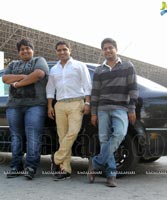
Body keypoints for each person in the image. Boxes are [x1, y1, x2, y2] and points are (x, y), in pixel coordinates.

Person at [88, 38, 138, 187]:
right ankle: (111, 174)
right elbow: (95, 93)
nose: (108, 50)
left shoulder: (127, 66)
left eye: (110, 48)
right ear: (102, 51)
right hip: (102, 109)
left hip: (121, 108)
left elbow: (133, 89)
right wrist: (93, 113)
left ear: (116, 49)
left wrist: (132, 109)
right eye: (105, 48)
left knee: (120, 134)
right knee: (104, 140)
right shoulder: (99, 70)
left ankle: (95, 163)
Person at [2, 38, 49, 180]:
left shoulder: (39, 61)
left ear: (32, 50)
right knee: (16, 137)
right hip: (14, 105)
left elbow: (39, 74)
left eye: (27, 48)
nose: (25, 51)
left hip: (35, 105)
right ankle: (16, 166)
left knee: (33, 136)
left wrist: (17, 84)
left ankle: (31, 167)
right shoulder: (13, 64)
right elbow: (5, 78)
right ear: (19, 52)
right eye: (22, 49)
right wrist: (25, 76)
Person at [46, 41, 92, 181]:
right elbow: (50, 89)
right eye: (59, 50)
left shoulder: (79, 65)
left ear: (70, 50)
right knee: (62, 136)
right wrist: (49, 106)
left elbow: (87, 85)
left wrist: (87, 102)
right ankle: (65, 170)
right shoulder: (54, 69)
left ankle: (57, 158)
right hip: (59, 105)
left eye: (64, 49)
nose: (62, 52)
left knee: (72, 132)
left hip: (76, 103)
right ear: (56, 52)